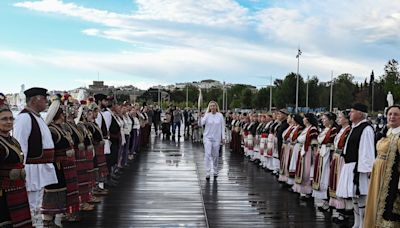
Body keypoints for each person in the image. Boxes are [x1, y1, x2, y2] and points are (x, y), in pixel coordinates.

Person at [13, 87, 58, 227]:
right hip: (31, 170)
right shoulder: (24, 118)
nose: (46, 102)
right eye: (44, 99)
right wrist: (22, 170)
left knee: (37, 204)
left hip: (40, 168)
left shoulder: (36, 117)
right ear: (34, 100)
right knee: (31, 205)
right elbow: (20, 146)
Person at [336, 103, 375, 228]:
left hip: (358, 167)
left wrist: (367, 168)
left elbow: (367, 149)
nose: (350, 114)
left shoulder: (366, 128)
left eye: (352, 111)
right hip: (350, 165)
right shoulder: (354, 127)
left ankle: (363, 224)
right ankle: (357, 222)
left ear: (360, 113)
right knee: (354, 197)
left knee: (361, 195)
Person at [364, 105, 400, 227]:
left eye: (396, 114)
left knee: (387, 206)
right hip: (378, 172)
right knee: (375, 202)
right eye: (390, 114)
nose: (392, 117)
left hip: (390, 175)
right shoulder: (387, 131)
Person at [0, 94, 32, 227]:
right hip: (3, 193)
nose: (9, 121)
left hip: (17, 189)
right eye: (4, 119)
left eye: (10, 118)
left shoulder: (13, 140)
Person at [201, 101, 225, 180]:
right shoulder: (207, 115)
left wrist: (223, 137)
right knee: (207, 154)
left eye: (214, 106)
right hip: (207, 138)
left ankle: (215, 170)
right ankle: (208, 172)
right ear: (209, 107)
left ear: (216, 107)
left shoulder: (220, 115)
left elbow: (222, 127)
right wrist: (200, 117)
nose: (212, 107)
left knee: (215, 156)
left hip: (216, 138)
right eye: (211, 106)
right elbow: (201, 123)